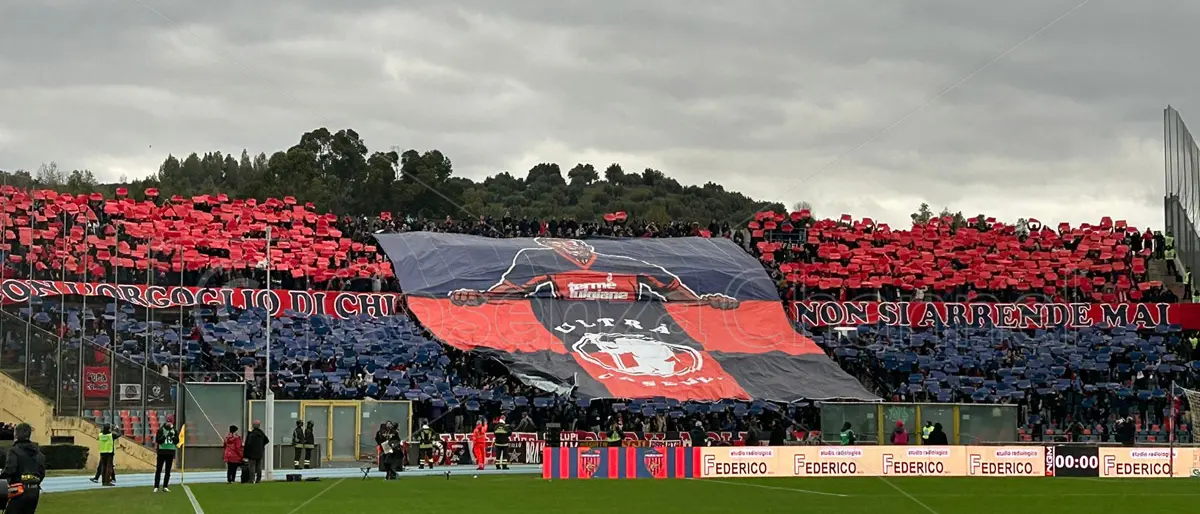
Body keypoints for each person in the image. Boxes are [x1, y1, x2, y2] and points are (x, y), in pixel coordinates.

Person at [1, 423, 45, 514]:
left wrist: (1, 475)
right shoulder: (38, 452)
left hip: (18, 491)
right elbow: (42, 472)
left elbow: (10, 470)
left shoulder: (14, 451)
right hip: (34, 491)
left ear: (16, 434)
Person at [152, 421, 179, 492]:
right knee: (159, 470)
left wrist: (173, 436)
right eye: (168, 422)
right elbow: (158, 441)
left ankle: (165, 486)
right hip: (162, 452)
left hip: (170, 452)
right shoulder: (161, 430)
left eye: (170, 422)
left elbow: (177, 441)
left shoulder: (174, 431)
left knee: (168, 471)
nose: (169, 423)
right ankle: (156, 486)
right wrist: (165, 435)